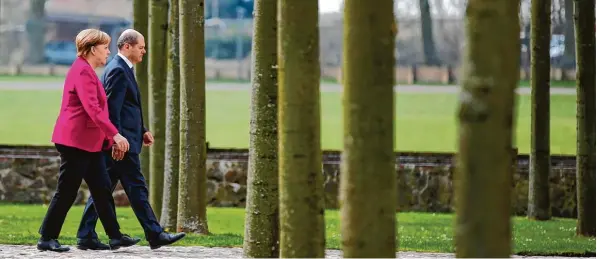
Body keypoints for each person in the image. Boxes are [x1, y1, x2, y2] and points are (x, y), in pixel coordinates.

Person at [75, 29, 185, 250]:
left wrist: (142, 129)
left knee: (103, 187)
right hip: (121, 144)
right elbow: (112, 109)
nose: (144, 51)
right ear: (128, 47)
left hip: (124, 140)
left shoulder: (123, 68)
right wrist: (116, 139)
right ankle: (155, 234)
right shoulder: (118, 70)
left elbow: (128, 106)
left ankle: (86, 234)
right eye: (141, 47)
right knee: (137, 187)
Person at [37, 28, 140, 252]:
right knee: (67, 190)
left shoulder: (86, 70)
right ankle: (47, 237)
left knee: (102, 188)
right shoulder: (82, 72)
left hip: (88, 142)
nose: (108, 53)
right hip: (75, 141)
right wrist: (115, 134)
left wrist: (107, 138)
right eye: (105, 48)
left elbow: (96, 111)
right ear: (93, 49)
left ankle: (114, 236)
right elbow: (93, 109)